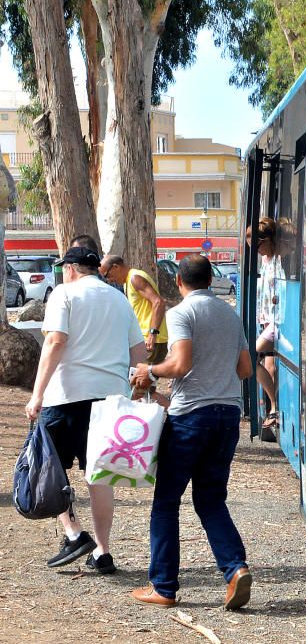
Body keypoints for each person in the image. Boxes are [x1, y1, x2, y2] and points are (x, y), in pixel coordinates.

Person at [129, 254, 254, 609]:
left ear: (179, 283)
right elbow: (245, 369)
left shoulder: (181, 313)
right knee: (211, 499)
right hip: (227, 417)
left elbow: (181, 364)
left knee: (166, 502)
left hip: (191, 420)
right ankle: (235, 570)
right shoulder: (231, 315)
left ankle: (164, 587)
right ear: (211, 280)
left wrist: (150, 371)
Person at [24, 246, 146, 575]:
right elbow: (138, 351)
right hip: (110, 400)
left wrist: (37, 394)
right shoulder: (119, 299)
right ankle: (103, 553)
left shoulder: (64, 294)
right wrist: (138, 388)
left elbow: (54, 342)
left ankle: (75, 533)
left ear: (73, 268)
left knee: (51, 472)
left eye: (65, 267)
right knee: (99, 476)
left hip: (66, 397)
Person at [99, 255, 169, 364]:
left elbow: (158, 302)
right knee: (138, 378)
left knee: (137, 378)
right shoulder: (128, 281)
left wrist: (152, 334)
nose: (110, 280)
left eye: (107, 275)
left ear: (116, 267)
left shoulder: (135, 278)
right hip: (144, 339)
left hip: (151, 340)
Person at [246, 218, 281, 430]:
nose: (256, 251)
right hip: (267, 321)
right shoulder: (266, 260)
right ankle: (274, 408)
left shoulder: (279, 260)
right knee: (270, 366)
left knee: (251, 356)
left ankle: (274, 407)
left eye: (258, 246)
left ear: (268, 240)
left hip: (277, 323)